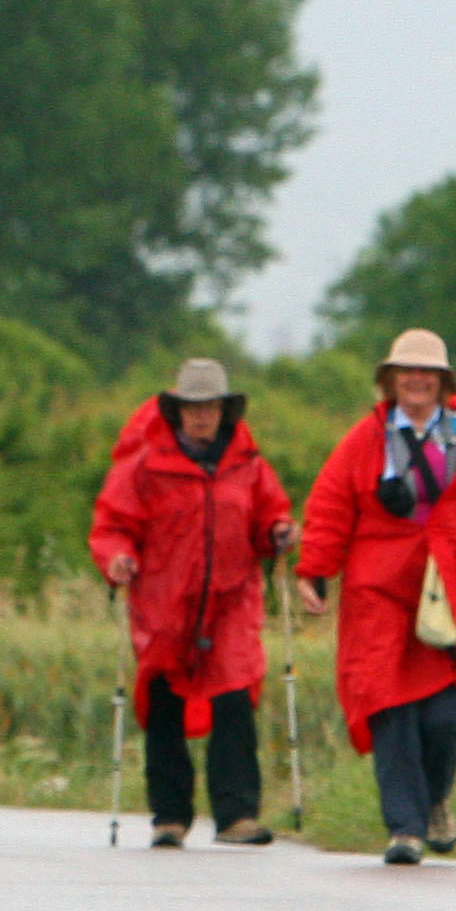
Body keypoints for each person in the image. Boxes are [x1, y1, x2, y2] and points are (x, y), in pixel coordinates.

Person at [296, 329, 456, 864]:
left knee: (444, 719)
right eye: (406, 372)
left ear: (443, 383)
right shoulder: (363, 440)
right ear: (390, 381)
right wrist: (315, 570)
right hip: (381, 588)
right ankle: (405, 829)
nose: (416, 381)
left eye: (428, 373)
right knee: (387, 704)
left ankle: (436, 798)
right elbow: (330, 504)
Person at [89, 358, 295, 848]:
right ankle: (170, 817)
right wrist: (118, 557)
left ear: (226, 411)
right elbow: (114, 524)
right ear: (176, 410)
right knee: (163, 703)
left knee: (233, 697)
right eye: (192, 407)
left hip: (231, 601)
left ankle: (237, 815)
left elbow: (269, 517)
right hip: (164, 600)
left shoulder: (249, 466)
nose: (201, 416)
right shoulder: (143, 466)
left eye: (211, 407)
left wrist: (279, 534)